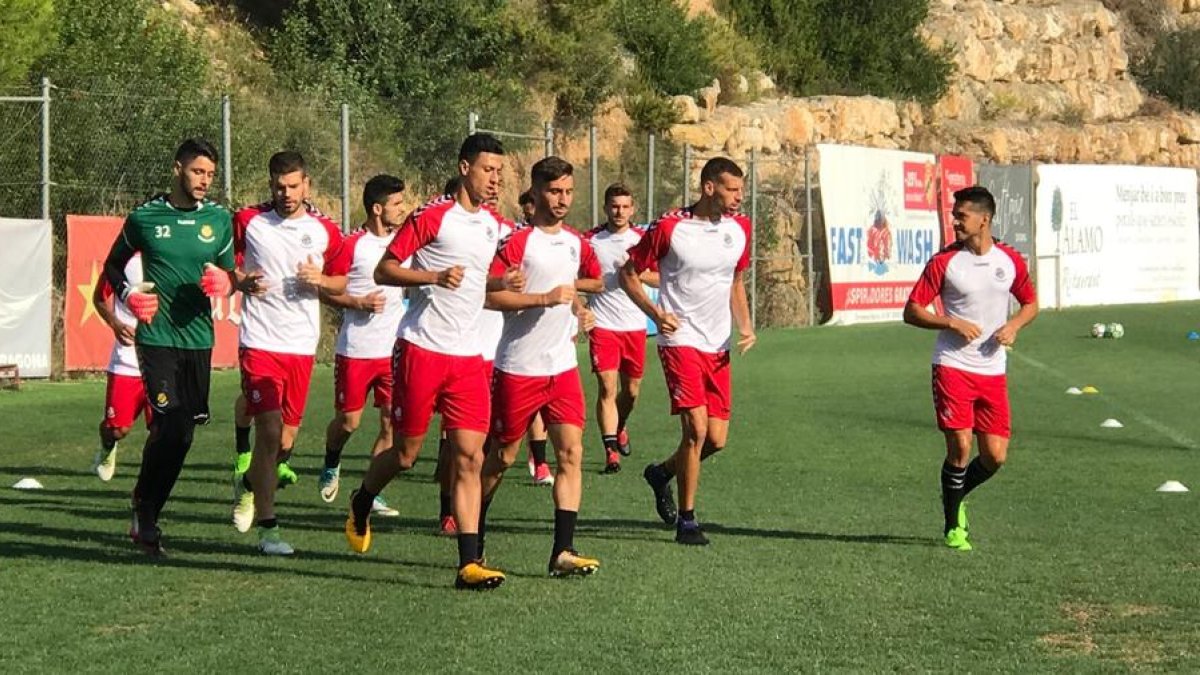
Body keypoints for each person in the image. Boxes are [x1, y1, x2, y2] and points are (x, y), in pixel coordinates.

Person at [344, 133, 521, 591]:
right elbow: (386, 269)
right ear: (465, 168)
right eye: (487, 170)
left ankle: (468, 563)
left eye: (499, 172)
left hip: (467, 358)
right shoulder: (433, 216)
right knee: (405, 455)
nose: (494, 179)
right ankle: (362, 499)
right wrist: (433, 276)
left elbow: (478, 288)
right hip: (422, 349)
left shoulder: (491, 226)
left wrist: (506, 284)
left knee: (468, 457)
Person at [101, 137, 236, 556]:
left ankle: (146, 507)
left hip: (198, 339)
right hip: (156, 337)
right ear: (177, 169)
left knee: (183, 435)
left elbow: (232, 274)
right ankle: (146, 511)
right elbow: (111, 265)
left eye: (211, 175)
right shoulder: (144, 216)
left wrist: (227, 283)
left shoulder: (219, 219)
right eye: (198, 172)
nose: (205, 181)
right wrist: (128, 295)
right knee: (170, 423)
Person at [620, 157, 755, 546]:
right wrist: (656, 313)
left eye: (740, 191)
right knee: (695, 431)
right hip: (680, 342)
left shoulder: (740, 228)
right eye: (731, 189)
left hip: (718, 344)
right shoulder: (670, 227)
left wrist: (744, 325)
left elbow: (736, 280)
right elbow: (628, 274)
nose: (737, 198)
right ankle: (688, 521)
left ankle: (662, 473)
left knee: (716, 440)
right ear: (709, 187)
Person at [479, 155, 604, 577]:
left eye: (568, 191)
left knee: (571, 453)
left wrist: (580, 310)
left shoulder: (575, 242)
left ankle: (562, 552)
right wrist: (542, 299)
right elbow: (488, 297)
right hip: (518, 367)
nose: (563, 199)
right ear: (534, 193)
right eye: (554, 191)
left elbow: (580, 286)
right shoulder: (516, 243)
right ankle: (472, 540)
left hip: (563, 369)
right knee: (501, 457)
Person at [903, 185, 1037, 551]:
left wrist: (1013, 326)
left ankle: (957, 496)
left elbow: (1030, 303)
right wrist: (950, 323)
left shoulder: (1008, 260)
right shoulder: (945, 262)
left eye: (961, 216)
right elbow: (912, 311)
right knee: (960, 448)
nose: (955, 222)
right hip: (952, 366)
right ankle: (952, 526)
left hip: (993, 370)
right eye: (954, 215)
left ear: (985, 219)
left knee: (994, 457)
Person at [230, 150, 348, 555]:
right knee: (269, 429)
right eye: (279, 187)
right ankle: (269, 529)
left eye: (293, 186)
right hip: (260, 341)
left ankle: (248, 483)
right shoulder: (249, 220)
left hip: (301, 346)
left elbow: (344, 281)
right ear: (270, 185)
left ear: (307, 185)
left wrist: (323, 279)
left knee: (284, 443)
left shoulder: (325, 230)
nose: (286, 194)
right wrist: (240, 280)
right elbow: (223, 266)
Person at [316, 175, 409, 518]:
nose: (403, 209)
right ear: (377, 208)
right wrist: (357, 302)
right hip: (355, 351)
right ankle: (331, 460)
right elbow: (325, 289)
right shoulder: (351, 244)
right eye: (397, 204)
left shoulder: (404, 243)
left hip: (393, 353)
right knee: (348, 422)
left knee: (390, 424)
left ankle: (372, 490)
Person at [584, 183, 658, 474]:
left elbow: (659, 277)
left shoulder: (642, 239)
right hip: (603, 325)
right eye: (614, 206)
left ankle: (620, 425)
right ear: (605, 208)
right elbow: (576, 274)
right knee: (606, 387)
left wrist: (637, 273)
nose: (619, 211)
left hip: (634, 325)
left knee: (632, 391)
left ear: (633, 209)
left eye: (625, 206)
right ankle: (610, 451)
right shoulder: (591, 240)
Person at [90, 253, 151, 481]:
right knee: (117, 430)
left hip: (163, 359)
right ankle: (107, 446)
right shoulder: (125, 258)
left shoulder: (175, 254)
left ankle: (148, 489)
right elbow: (98, 297)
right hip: (127, 360)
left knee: (163, 432)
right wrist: (115, 323)